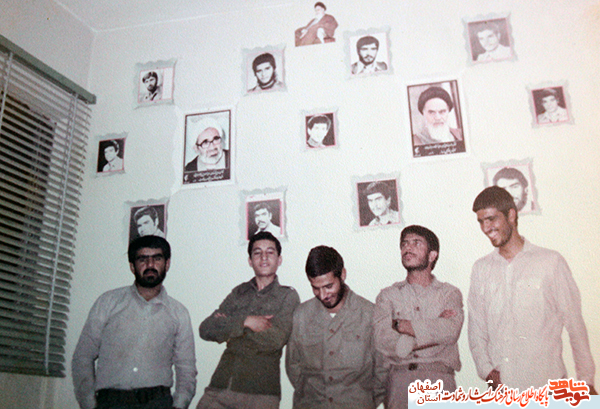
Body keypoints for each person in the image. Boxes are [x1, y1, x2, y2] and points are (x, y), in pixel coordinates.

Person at [469, 186, 596, 392]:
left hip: (548, 389)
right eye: (481, 221)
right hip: (503, 393)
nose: (486, 228)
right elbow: (476, 330)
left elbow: (575, 326)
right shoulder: (481, 269)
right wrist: (488, 372)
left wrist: (587, 382)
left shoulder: (550, 262)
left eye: (491, 219)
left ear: (511, 215)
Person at [72, 236, 197, 409]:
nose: (150, 265)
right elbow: (83, 356)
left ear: (167, 264)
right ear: (132, 266)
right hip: (111, 402)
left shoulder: (178, 313)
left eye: (157, 258)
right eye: (142, 259)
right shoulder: (108, 303)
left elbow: (186, 368)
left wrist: (179, 405)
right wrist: (89, 403)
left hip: (157, 402)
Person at [197, 232, 300, 409]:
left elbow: (276, 339)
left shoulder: (287, 296)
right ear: (250, 261)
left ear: (279, 259)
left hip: (261, 394)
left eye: (270, 252)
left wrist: (230, 329)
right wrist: (246, 321)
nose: (264, 257)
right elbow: (206, 329)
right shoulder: (239, 292)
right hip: (220, 387)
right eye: (257, 252)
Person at [286, 245, 386, 409]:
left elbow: (382, 371)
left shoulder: (369, 314)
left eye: (328, 286)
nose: (323, 295)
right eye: (315, 288)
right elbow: (293, 366)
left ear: (343, 275)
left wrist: (363, 402)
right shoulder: (301, 315)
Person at [374, 225, 463, 409]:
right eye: (404, 244)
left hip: (439, 381)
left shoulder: (449, 293)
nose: (408, 247)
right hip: (400, 383)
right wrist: (432, 327)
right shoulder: (387, 295)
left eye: (416, 243)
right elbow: (382, 340)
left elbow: (450, 331)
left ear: (432, 255)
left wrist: (402, 326)